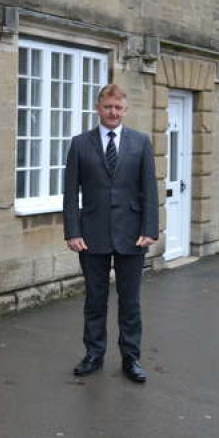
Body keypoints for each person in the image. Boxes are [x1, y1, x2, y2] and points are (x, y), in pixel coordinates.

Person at [63, 83, 158, 384]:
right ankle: (94, 354)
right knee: (95, 300)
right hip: (91, 235)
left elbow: (149, 191)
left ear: (125, 110)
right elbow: (69, 193)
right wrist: (72, 231)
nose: (113, 112)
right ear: (98, 108)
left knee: (130, 302)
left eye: (118, 107)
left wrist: (149, 229)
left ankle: (131, 358)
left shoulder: (141, 143)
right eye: (108, 107)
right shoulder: (80, 144)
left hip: (132, 236)